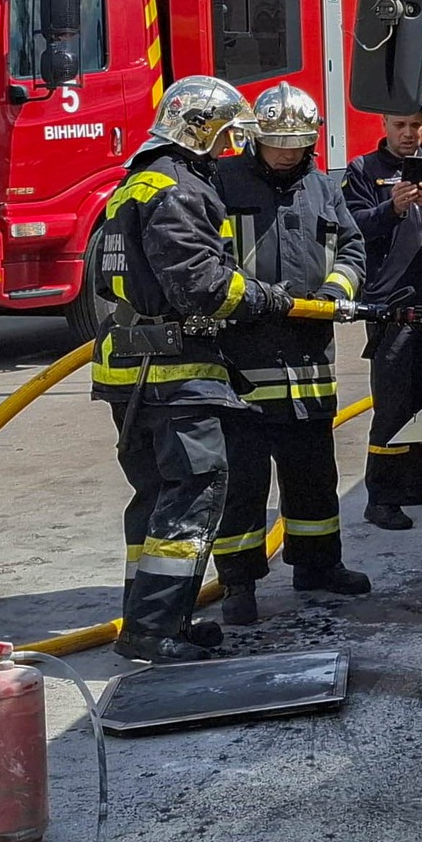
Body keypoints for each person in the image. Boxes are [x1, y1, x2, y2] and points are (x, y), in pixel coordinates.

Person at [92, 77, 295, 664]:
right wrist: (268, 298)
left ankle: (155, 621)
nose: (232, 146)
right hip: (173, 375)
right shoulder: (177, 190)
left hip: (133, 373)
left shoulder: (133, 185)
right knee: (192, 493)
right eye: (227, 134)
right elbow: (202, 286)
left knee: (155, 497)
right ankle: (155, 631)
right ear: (201, 129)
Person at [213, 83, 370, 626]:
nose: (286, 151)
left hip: (308, 361)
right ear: (256, 138)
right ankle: (238, 584)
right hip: (241, 362)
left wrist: (334, 293)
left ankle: (319, 566)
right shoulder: (222, 182)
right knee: (243, 483)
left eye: (296, 143)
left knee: (313, 474)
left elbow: (351, 248)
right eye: (276, 141)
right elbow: (207, 259)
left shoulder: (325, 188)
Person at [344, 108, 422, 529]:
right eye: (399, 125)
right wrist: (391, 208)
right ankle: (381, 498)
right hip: (392, 309)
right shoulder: (364, 170)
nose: (408, 133)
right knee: (393, 408)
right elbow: (349, 227)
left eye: (415, 125)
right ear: (384, 125)